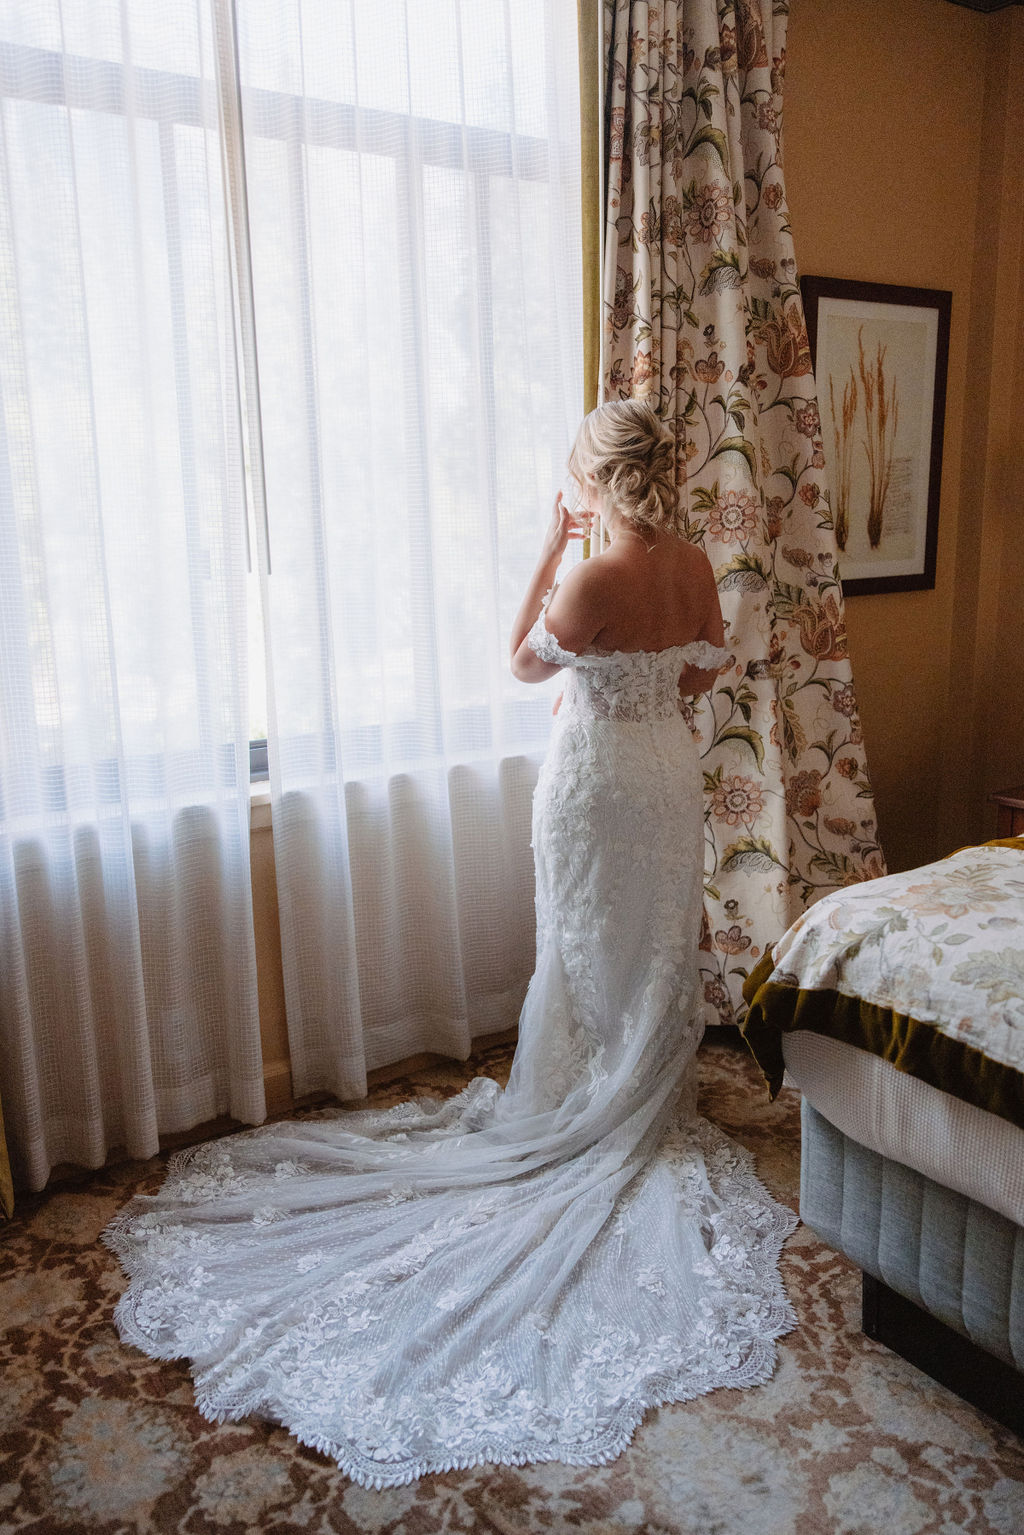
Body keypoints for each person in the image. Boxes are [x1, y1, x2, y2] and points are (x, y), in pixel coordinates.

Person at [105, 400, 796, 1490]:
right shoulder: (696, 568)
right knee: (652, 938)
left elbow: (523, 667)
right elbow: (703, 678)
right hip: (664, 773)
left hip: (597, 778)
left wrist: (544, 545)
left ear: (595, 481)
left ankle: (578, 1098)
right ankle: (636, 1092)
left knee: (581, 942)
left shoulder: (592, 577)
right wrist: (644, 685)